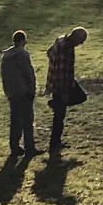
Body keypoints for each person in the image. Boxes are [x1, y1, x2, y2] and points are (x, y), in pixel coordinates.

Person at [44, 26, 87, 156]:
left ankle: (56, 142)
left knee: (79, 98)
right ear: (75, 38)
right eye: (81, 40)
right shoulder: (66, 49)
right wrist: (64, 93)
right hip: (62, 85)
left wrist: (53, 62)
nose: (82, 44)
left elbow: (49, 52)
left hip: (61, 81)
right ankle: (54, 145)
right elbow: (62, 71)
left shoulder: (60, 40)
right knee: (59, 116)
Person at [0, 30, 37, 156]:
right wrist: (32, 89)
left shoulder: (6, 56)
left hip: (12, 92)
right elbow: (28, 74)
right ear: (23, 40)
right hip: (24, 91)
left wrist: (7, 90)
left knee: (15, 120)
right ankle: (30, 147)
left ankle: (14, 146)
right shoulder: (22, 55)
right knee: (27, 120)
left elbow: (4, 76)